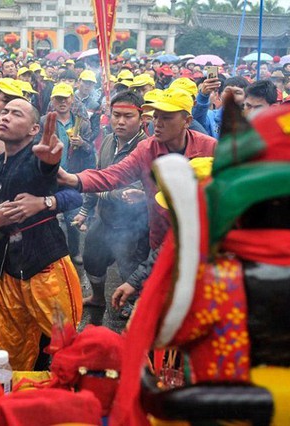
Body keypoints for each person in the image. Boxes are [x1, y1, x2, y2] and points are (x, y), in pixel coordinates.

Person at [0, 99, 83, 371]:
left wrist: (49, 171)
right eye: (4, 112)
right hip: (9, 269)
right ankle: (16, 402)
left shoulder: (37, 159)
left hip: (46, 265)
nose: (5, 117)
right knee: (11, 349)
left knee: (66, 344)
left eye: (16, 113)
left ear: (34, 128)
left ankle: (72, 404)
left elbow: (52, 179)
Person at [58, 88, 217, 308]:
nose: (157, 124)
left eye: (167, 118)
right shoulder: (147, 149)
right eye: (156, 117)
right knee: (157, 290)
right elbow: (112, 175)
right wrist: (73, 179)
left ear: (187, 120)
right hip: (160, 233)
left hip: (199, 239)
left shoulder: (210, 148)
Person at [74, 91, 149, 318]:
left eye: (128, 116)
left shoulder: (147, 147)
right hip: (104, 218)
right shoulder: (108, 140)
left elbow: (128, 192)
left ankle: (134, 306)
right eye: (116, 115)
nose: (121, 121)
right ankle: (98, 298)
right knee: (91, 259)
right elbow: (97, 175)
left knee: (130, 268)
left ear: (142, 118)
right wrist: (85, 211)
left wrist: (102, 190)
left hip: (132, 225)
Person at [39, 82, 95, 264]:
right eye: (58, 99)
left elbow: (90, 150)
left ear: (72, 99)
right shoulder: (44, 121)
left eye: (66, 98)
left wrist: (83, 144)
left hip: (71, 175)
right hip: (48, 174)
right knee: (46, 214)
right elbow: (35, 144)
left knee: (72, 215)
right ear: (52, 100)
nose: (62, 102)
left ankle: (74, 250)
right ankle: (49, 251)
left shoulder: (81, 122)